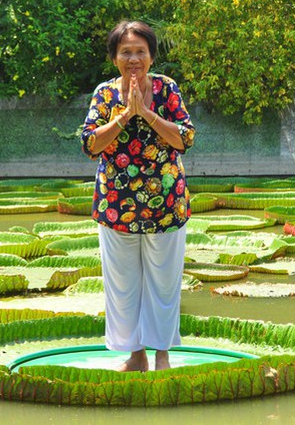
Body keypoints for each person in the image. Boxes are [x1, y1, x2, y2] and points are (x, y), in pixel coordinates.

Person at [80, 20, 195, 372]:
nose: (133, 59)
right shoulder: (104, 94)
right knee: (123, 285)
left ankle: (162, 355)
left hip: (166, 205)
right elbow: (90, 144)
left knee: (163, 283)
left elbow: (185, 138)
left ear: (151, 56)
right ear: (114, 57)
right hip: (117, 205)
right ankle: (135, 356)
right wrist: (125, 116)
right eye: (125, 52)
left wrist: (145, 114)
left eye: (140, 52)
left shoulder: (166, 89)